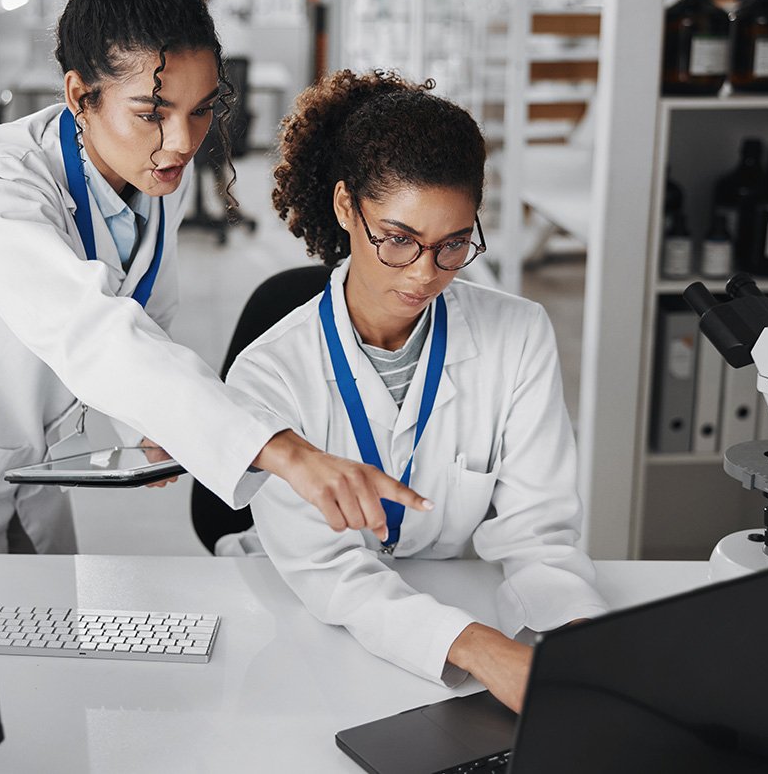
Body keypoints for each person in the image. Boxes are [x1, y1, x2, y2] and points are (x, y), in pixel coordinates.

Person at [0, 0, 430, 553]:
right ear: (79, 96)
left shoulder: (148, 176)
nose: (181, 142)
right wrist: (280, 449)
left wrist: (149, 421)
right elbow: (90, 328)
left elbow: (146, 314)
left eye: (202, 109)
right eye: (152, 112)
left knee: (42, 637)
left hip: (27, 469)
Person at [225, 70, 607, 712]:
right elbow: (333, 574)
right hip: (306, 627)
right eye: (399, 240)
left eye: (454, 244)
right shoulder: (270, 373)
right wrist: (482, 649)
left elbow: (538, 532)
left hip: (458, 598)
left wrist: (579, 639)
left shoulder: (518, 335)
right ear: (347, 208)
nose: (427, 275)